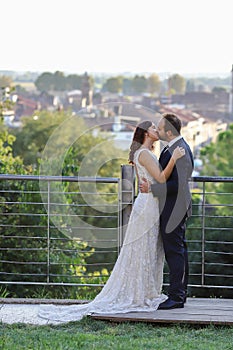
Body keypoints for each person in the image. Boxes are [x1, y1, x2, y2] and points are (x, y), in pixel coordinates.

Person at [38, 120, 185, 324]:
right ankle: (137, 294)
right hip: (148, 206)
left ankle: (144, 292)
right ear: (145, 133)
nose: (156, 131)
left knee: (148, 249)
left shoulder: (142, 153)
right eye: (153, 128)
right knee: (142, 249)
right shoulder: (143, 153)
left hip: (150, 204)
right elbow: (160, 178)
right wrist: (174, 158)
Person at [140, 113, 194, 310]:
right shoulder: (174, 148)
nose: (158, 131)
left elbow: (177, 186)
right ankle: (180, 294)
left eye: (160, 128)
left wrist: (151, 189)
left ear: (169, 132)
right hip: (173, 207)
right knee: (178, 251)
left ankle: (177, 298)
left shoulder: (180, 150)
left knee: (175, 253)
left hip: (175, 209)